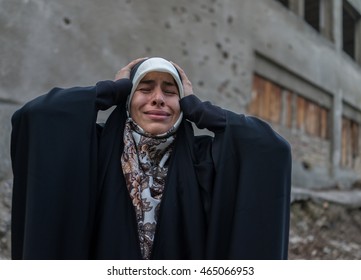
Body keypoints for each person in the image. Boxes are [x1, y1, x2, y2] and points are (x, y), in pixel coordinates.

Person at [10, 57, 292, 260]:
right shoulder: (95, 151)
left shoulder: (201, 160)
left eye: (170, 92)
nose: (158, 99)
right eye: (145, 89)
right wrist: (111, 90)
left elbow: (271, 150)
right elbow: (34, 118)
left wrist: (200, 109)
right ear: (128, 99)